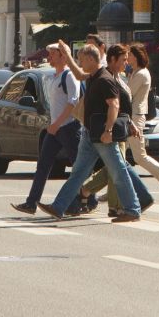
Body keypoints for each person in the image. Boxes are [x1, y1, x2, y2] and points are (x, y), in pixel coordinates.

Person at [45, 44, 140, 223]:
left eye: (82, 59)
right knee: (78, 173)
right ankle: (58, 207)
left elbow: (114, 105)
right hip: (90, 134)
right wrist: (67, 56)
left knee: (118, 172)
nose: (80, 63)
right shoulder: (93, 76)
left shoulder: (104, 79)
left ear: (90, 59)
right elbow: (79, 74)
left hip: (103, 136)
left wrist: (108, 130)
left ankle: (133, 209)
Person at [12, 42, 85, 215]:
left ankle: (82, 202)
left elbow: (72, 102)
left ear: (62, 56)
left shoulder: (69, 76)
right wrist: (53, 124)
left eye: (52, 54)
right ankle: (31, 203)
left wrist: (57, 123)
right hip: (54, 129)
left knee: (78, 167)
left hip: (69, 128)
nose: (49, 57)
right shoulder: (53, 76)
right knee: (43, 165)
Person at [123, 44, 159, 200]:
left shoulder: (141, 73)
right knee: (120, 157)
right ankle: (115, 191)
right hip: (132, 116)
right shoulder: (134, 72)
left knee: (137, 157)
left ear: (137, 56)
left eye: (130, 54)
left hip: (135, 117)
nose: (127, 57)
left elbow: (127, 94)